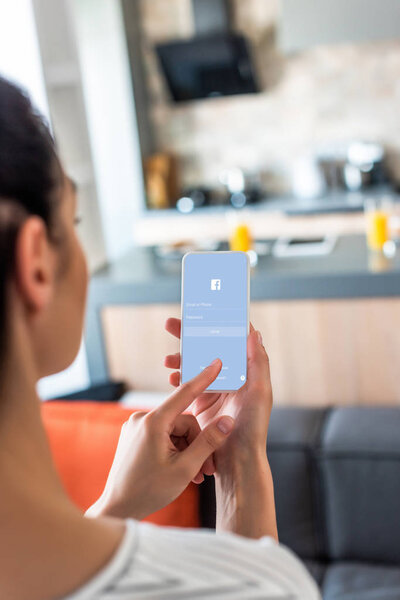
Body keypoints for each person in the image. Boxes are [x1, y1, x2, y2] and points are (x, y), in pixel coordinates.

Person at [0, 76, 320, 600]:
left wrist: (112, 508)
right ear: (35, 263)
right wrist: (241, 465)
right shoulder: (256, 586)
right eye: (74, 221)